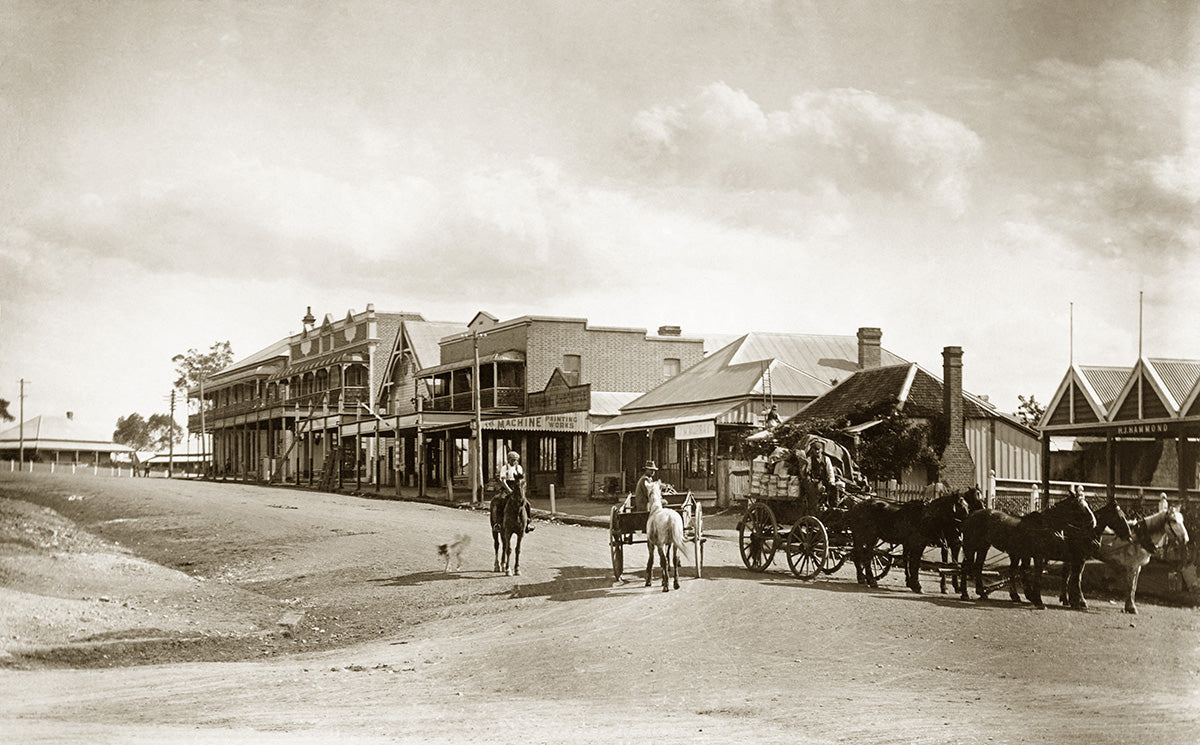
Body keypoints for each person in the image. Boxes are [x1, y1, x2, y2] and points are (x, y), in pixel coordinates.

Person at [498, 451, 533, 532]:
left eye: (516, 460)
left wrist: (522, 490)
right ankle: (498, 523)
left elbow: (522, 481)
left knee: (527, 503)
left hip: (517, 487)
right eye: (513, 460)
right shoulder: (504, 468)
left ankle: (528, 522)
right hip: (507, 487)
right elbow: (503, 481)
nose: (514, 461)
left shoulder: (519, 468)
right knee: (501, 500)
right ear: (508, 460)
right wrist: (509, 490)